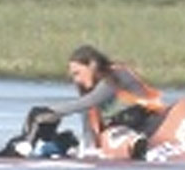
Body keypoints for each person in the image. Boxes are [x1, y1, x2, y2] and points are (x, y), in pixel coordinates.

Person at [28, 44, 168, 159]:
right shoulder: (87, 87)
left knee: (115, 134)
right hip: (120, 127)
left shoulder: (116, 75)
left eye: (78, 73)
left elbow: (90, 101)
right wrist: (88, 148)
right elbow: (88, 121)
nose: (76, 80)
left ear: (93, 65)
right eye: (73, 76)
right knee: (106, 135)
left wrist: (50, 111)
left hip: (149, 121)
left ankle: (137, 146)